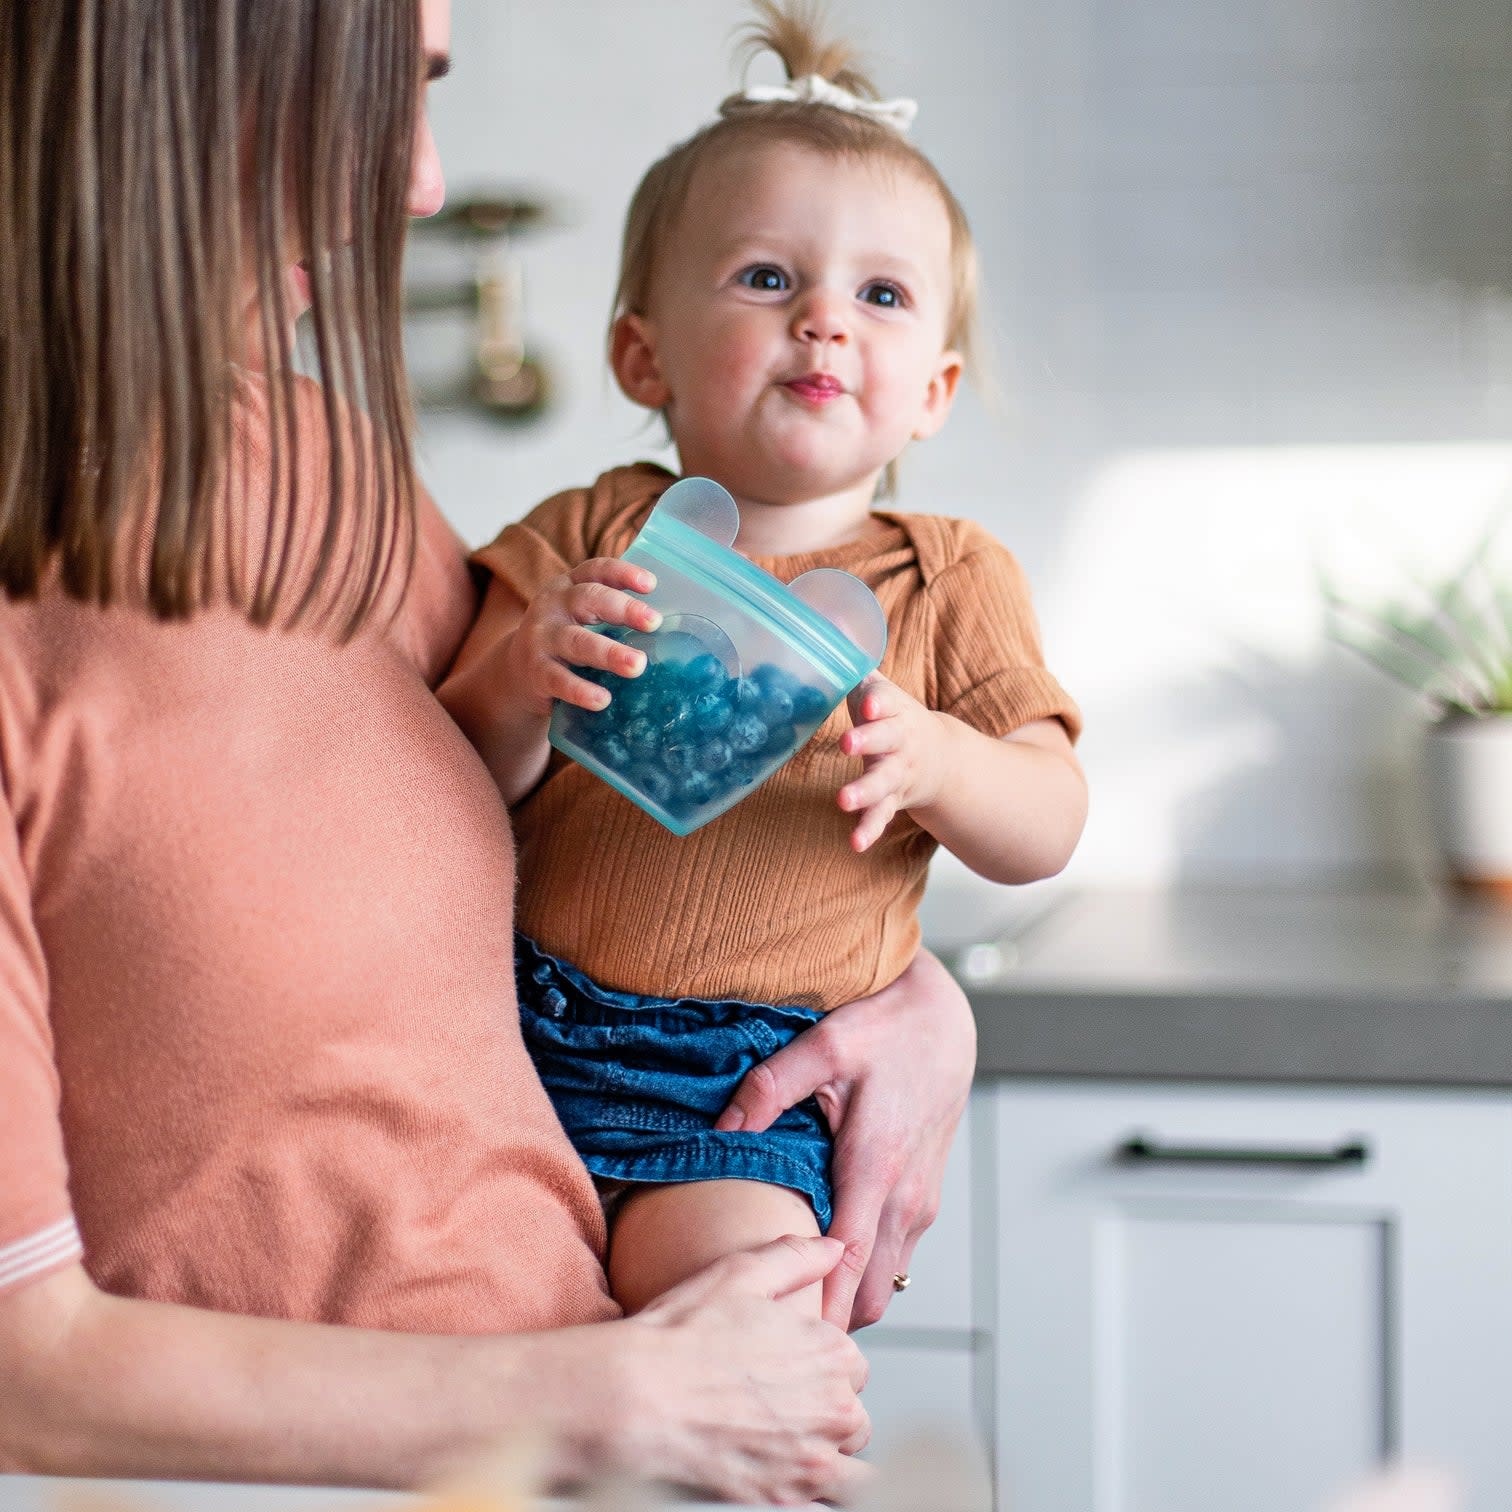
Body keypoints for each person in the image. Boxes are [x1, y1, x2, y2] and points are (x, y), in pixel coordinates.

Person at [0, 0, 978, 1501]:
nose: (423, 184)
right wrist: (617, 1402)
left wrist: (918, 1001)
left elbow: (625, 797)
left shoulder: (319, 458)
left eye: (427, 96)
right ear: (150, 82)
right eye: (368, 98)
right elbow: (25, 1369)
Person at [440, 0, 1088, 1316]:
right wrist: (523, 675)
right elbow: (445, 773)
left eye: (882, 295)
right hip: (508, 1038)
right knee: (518, 1366)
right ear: (642, 353)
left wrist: (947, 761)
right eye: (767, 279)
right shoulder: (588, 534)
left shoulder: (950, 577)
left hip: (747, 1085)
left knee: (740, 1324)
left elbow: (1048, 821)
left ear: (935, 390)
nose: (824, 324)